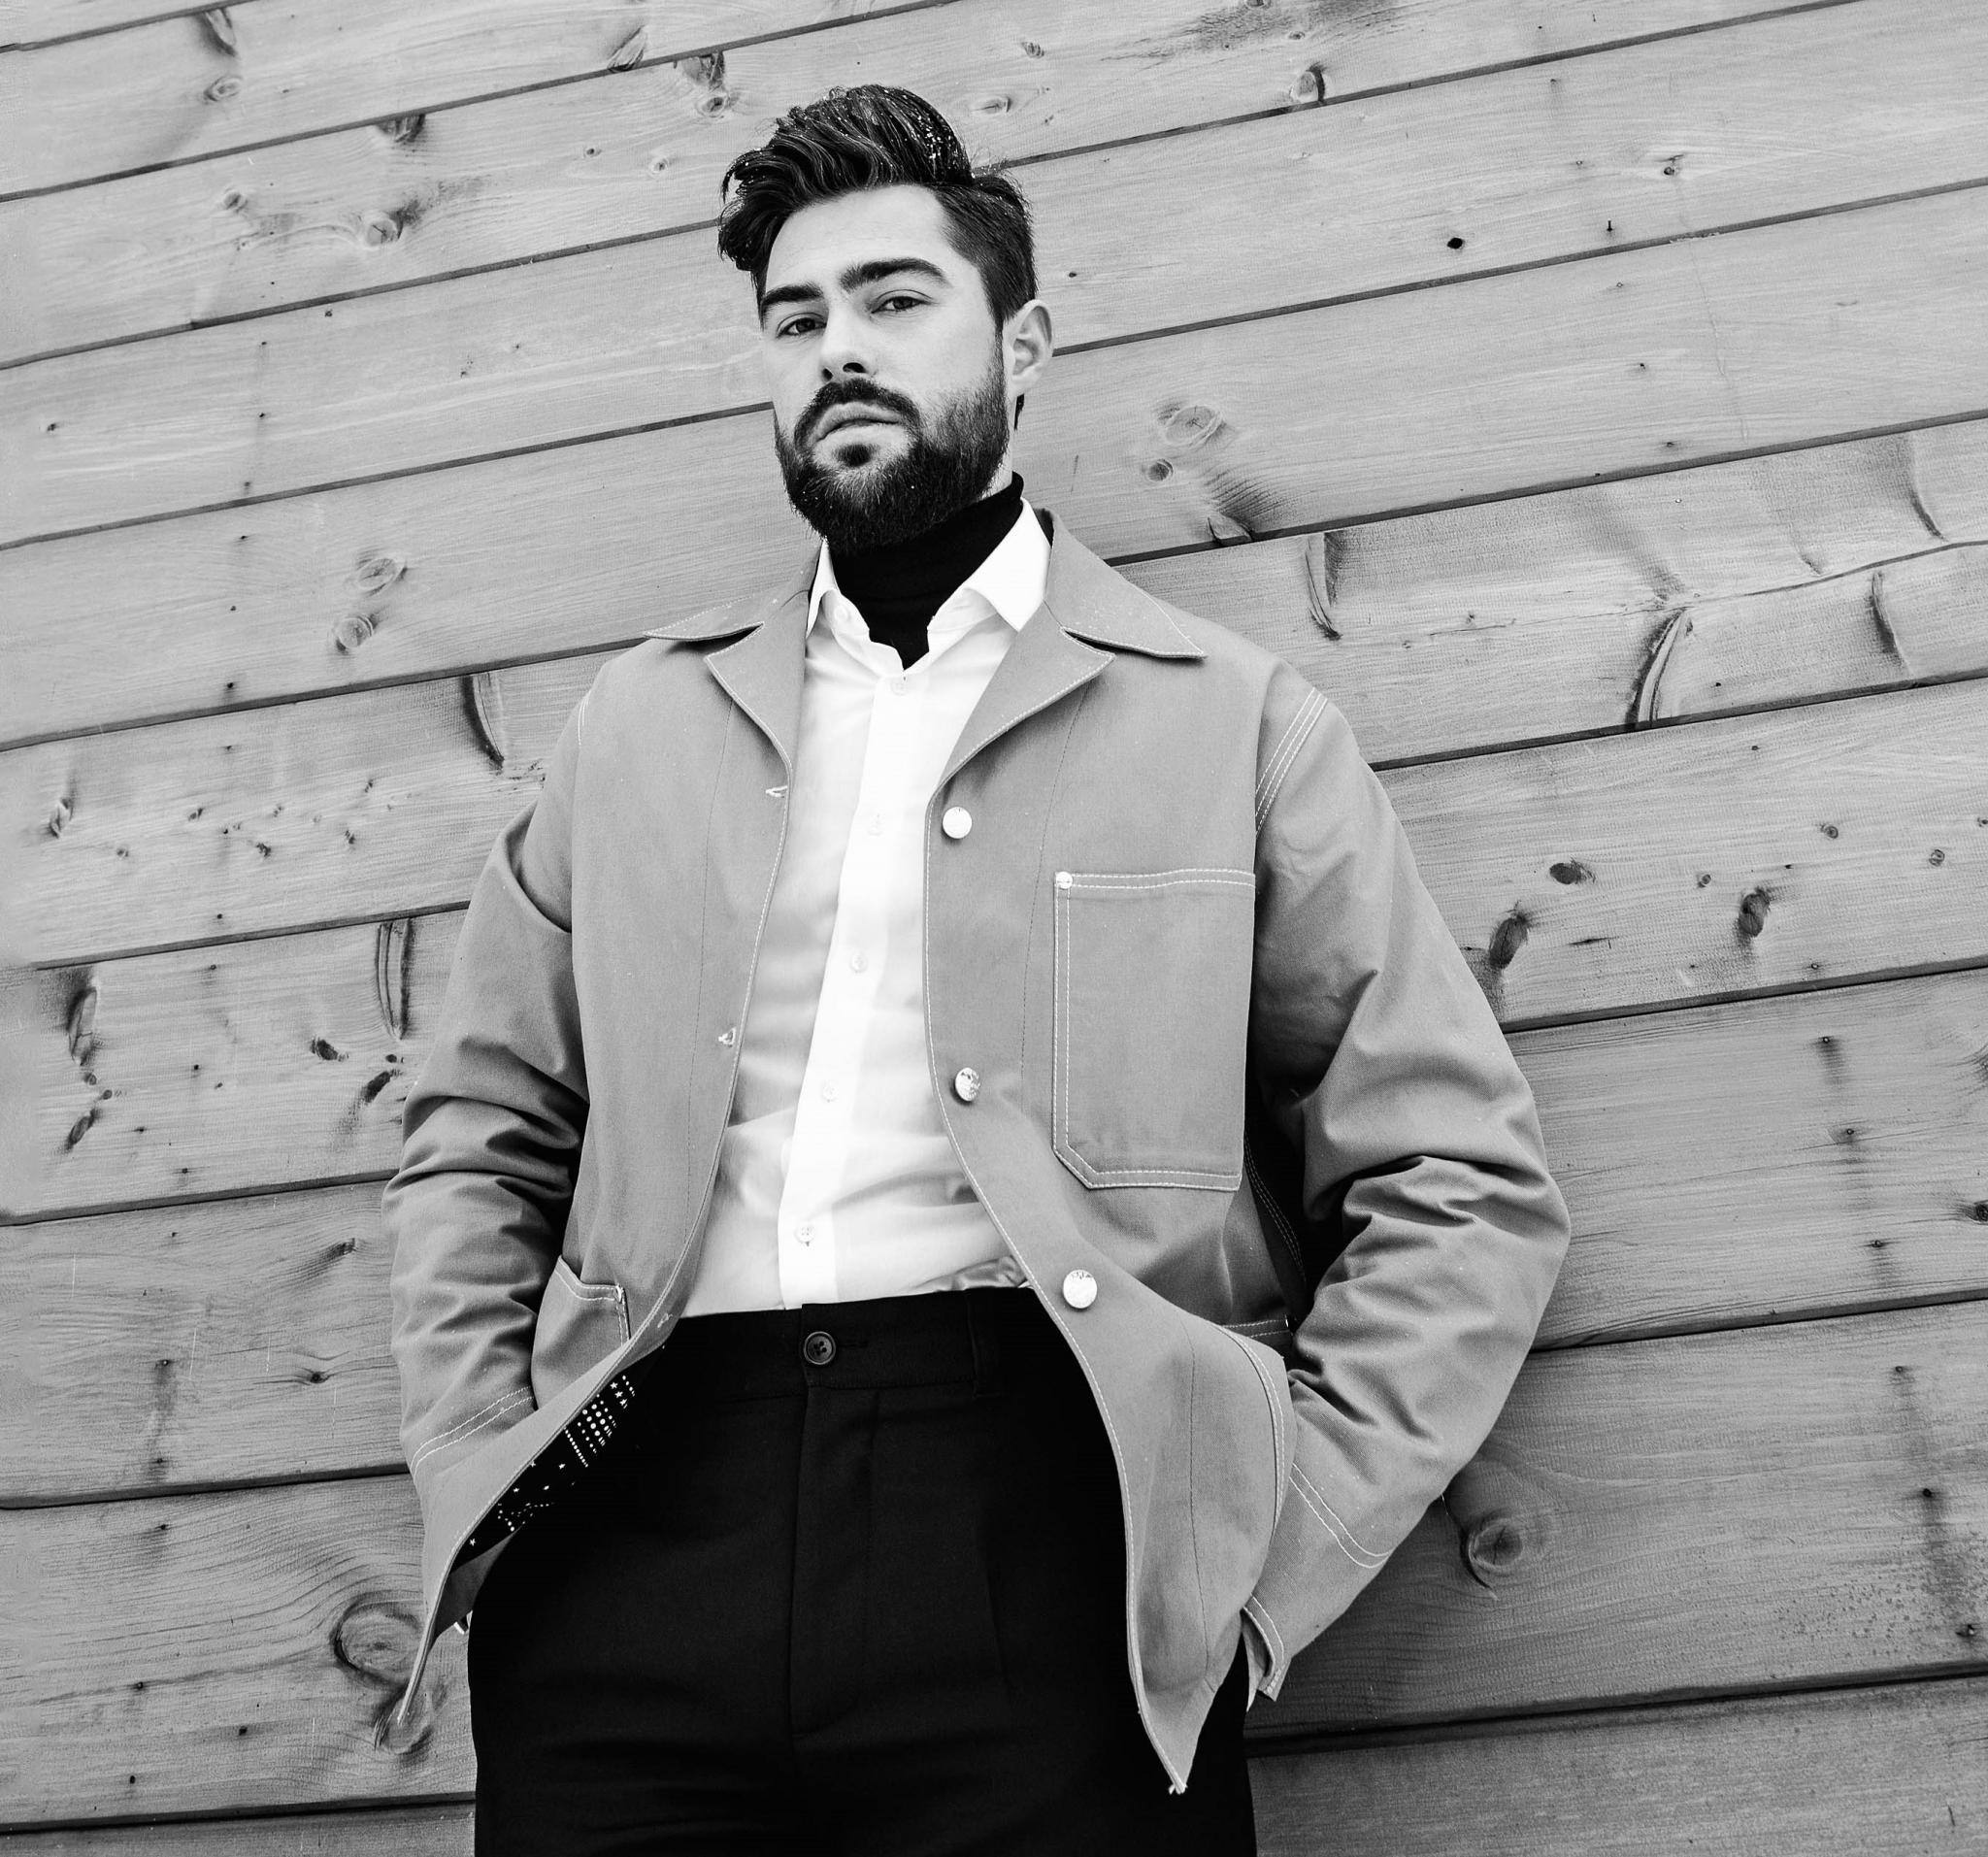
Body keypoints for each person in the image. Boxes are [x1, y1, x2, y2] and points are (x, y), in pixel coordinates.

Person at [383, 84, 1571, 1855]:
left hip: (1060, 1554)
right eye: (796, 318)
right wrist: (489, 1455)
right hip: (630, 1557)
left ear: (1023, 347)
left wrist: (1262, 1555)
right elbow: (477, 1133)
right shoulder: (632, 731)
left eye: (894, 298)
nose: (839, 350)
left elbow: (1461, 1179)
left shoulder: (1233, 725)